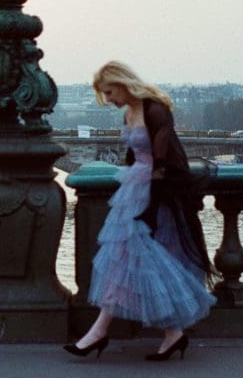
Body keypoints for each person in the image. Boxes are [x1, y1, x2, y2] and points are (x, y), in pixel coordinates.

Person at [63, 60, 216, 362]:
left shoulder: (156, 110)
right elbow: (133, 157)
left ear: (123, 83)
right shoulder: (128, 113)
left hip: (154, 192)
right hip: (135, 188)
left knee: (143, 259)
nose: (108, 99)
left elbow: (161, 163)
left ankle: (104, 334)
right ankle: (168, 334)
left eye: (109, 92)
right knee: (129, 260)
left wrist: (149, 206)